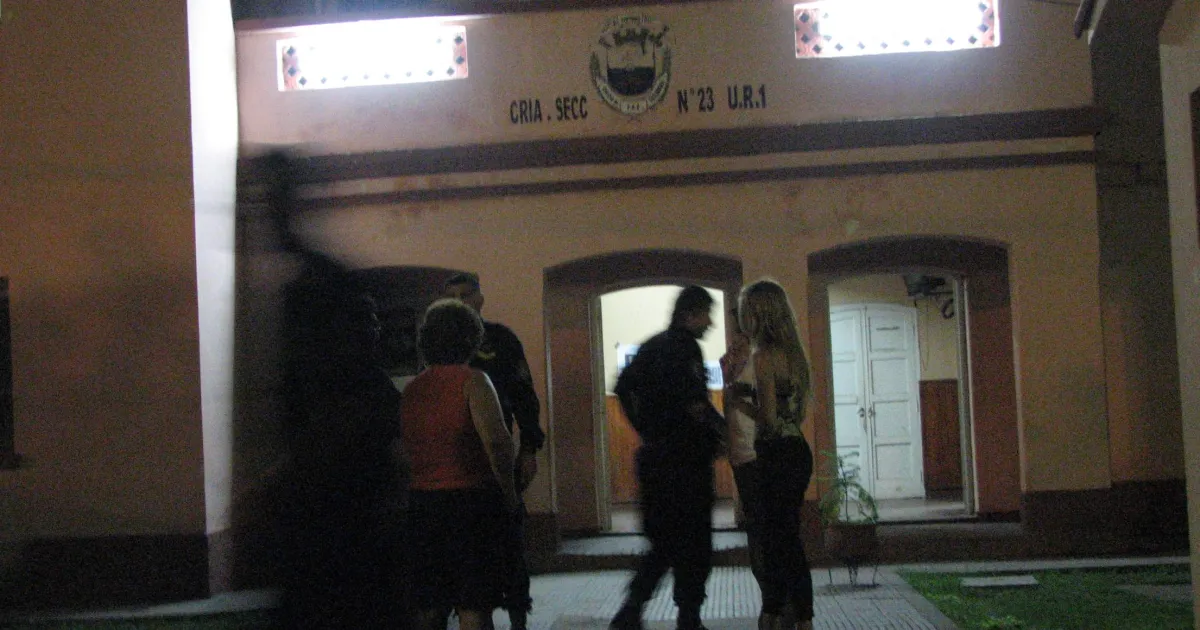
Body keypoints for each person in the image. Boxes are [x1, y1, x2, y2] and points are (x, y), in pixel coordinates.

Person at [610, 285, 725, 630]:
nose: (710, 324)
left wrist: (644, 427)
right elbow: (695, 404)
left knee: (662, 543)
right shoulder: (686, 348)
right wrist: (723, 432)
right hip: (686, 461)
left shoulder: (652, 346)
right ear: (690, 314)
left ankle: (632, 609)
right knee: (694, 543)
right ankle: (688, 616)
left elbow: (622, 386)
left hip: (655, 459)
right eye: (707, 315)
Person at [400, 298, 519, 630]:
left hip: (422, 504)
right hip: (470, 503)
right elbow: (496, 440)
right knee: (473, 604)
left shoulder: (412, 389)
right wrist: (509, 493)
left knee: (429, 605)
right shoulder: (474, 381)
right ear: (471, 338)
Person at [443, 272, 543, 630]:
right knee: (463, 553)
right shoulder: (441, 348)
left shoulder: (501, 340)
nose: (460, 303)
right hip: (455, 460)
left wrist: (529, 449)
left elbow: (524, 397)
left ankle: (518, 618)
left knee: (510, 542)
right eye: (452, 297)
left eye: (465, 295)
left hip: (497, 454)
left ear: (479, 299)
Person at [723, 279, 815, 630]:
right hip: (797, 450)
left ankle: (775, 612)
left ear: (758, 314)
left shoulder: (763, 357)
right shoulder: (795, 355)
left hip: (775, 454)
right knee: (789, 538)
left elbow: (769, 420)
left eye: (746, 311)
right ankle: (803, 614)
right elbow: (794, 415)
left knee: (773, 541)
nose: (743, 318)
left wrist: (739, 400)